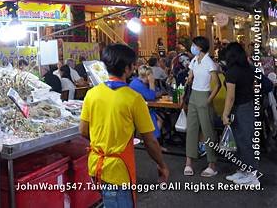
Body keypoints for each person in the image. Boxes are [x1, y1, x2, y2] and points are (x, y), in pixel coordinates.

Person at [80, 44, 168, 207]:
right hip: (118, 171)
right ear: (128, 69)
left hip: (95, 165)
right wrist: (162, 165)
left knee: (108, 201)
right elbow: (150, 141)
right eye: (133, 65)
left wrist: (103, 142)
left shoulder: (91, 94)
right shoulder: (133, 98)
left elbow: (83, 131)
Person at [221, 42, 259, 185]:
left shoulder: (232, 72)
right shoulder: (248, 68)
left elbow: (230, 97)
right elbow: (254, 86)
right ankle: (245, 171)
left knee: (244, 142)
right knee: (242, 140)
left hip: (240, 108)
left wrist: (225, 114)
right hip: (248, 105)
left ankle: (252, 176)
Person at [184, 36, 220, 177]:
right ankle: (189, 162)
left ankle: (212, 164)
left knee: (207, 130)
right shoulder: (194, 60)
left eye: (193, 45)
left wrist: (208, 100)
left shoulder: (209, 63)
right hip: (193, 95)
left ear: (199, 47)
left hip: (204, 95)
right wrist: (187, 81)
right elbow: (190, 77)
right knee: (191, 129)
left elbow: (217, 84)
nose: (192, 47)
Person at [129, 65, 162, 141]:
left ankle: (151, 140)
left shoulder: (139, 82)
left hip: (142, 107)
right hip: (138, 110)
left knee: (161, 118)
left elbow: (156, 92)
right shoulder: (137, 84)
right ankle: (152, 141)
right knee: (158, 119)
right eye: (150, 75)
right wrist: (151, 83)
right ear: (146, 76)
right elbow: (151, 96)